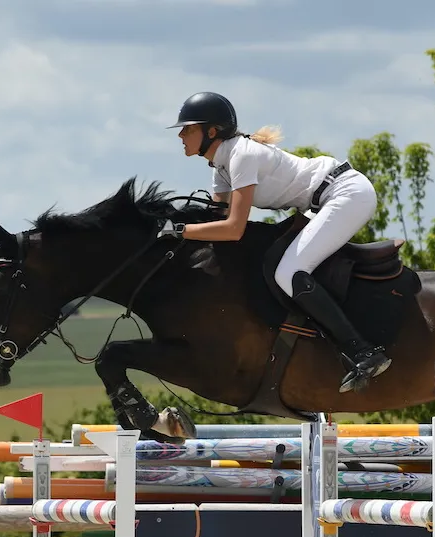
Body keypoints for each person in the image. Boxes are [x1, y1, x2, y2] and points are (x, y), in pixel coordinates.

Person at [164, 91, 392, 394]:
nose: (180, 135)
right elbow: (214, 220)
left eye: (187, 128)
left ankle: (364, 351)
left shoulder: (241, 156)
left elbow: (233, 229)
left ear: (211, 131)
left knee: (288, 272)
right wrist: (177, 229)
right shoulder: (221, 168)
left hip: (346, 194)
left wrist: (179, 230)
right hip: (323, 200)